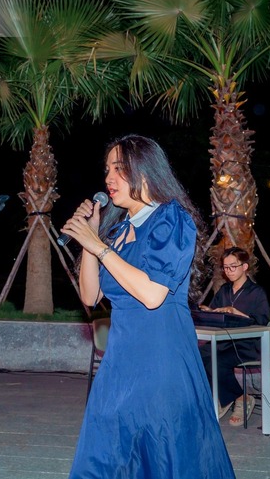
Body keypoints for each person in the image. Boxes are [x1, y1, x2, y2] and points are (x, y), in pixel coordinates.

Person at [61, 133, 235, 478]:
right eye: (107, 169)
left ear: (144, 171)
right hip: (121, 359)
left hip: (161, 359)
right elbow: (90, 296)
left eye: (118, 168)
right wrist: (91, 238)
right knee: (107, 451)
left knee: (163, 450)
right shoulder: (118, 232)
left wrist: (98, 247)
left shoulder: (172, 219)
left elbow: (153, 294)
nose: (109, 178)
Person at [198, 246, 270, 427]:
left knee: (217, 360)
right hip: (224, 343)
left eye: (233, 266)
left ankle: (235, 398)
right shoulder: (224, 290)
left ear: (244, 267)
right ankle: (232, 397)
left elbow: (262, 321)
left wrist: (236, 312)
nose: (229, 271)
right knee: (199, 355)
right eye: (225, 267)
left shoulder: (257, 292)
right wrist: (209, 311)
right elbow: (216, 313)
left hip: (247, 345)